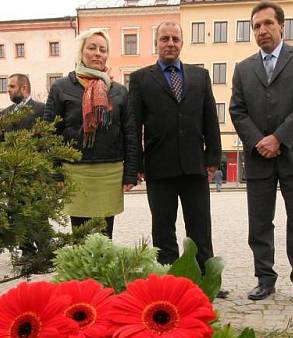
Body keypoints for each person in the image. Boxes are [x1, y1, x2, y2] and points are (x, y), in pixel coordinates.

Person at [230, 1, 293, 307]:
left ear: (282, 26)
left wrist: (279, 138)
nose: (262, 30)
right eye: (256, 26)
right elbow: (237, 110)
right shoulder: (243, 68)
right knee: (259, 223)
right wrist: (260, 141)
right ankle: (264, 279)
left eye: (268, 24)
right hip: (259, 158)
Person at [128, 22, 223, 278]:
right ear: (156, 43)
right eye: (164, 39)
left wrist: (213, 157)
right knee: (162, 229)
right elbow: (134, 125)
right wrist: (135, 166)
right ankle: (167, 278)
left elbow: (210, 118)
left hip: (195, 165)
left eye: (175, 39)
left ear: (182, 43)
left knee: (200, 227)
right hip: (158, 168)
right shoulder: (140, 79)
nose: (170, 43)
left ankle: (205, 276)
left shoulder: (200, 76)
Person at [44, 29, 138, 238]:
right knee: (80, 237)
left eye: (102, 50)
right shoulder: (61, 87)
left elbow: (130, 133)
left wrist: (130, 172)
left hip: (109, 171)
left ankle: (102, 272)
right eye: (92, 48)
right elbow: (49, 132)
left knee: (105, 237)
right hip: (75, 172)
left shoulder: (119, 90)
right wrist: (55, 171)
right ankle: (81, 273)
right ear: (81, 52)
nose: (98, 53)